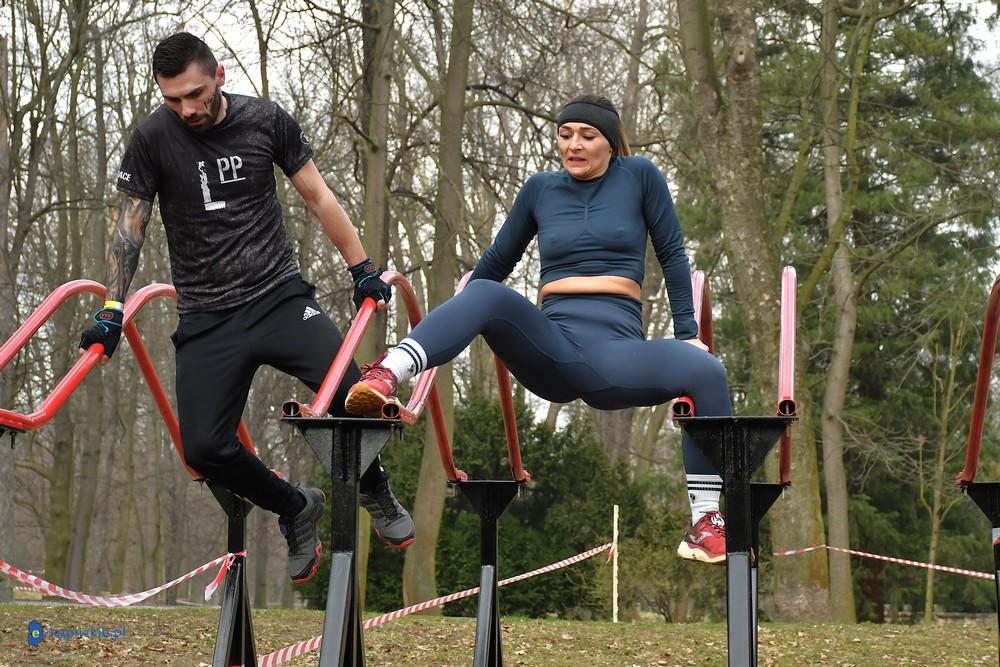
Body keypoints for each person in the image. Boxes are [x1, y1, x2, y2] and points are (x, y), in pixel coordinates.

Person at [78, 32, 414, 585]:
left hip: (278, 298)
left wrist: (362, 269)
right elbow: (130, 226)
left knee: (352, 390)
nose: (187, 108)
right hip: (208, 318)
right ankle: (293, 507)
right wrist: (113, 306)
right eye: (173, 100)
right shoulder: (152, 140)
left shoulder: (266, 121)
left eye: (195, 93)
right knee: (204, 447)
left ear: (220, 76)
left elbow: (318, 195)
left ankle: (374, 488)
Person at [346, 94, 732, 564]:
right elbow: (494, 264)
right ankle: (388, 372)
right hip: (552, 347)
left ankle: (705, 520)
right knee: (484, 292)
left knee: (707, 369)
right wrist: (463, 309)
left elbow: (672, 254)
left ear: (610, 143)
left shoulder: (640, 177)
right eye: (564, 134)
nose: (573, 145)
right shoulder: (540, 190)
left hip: (615, 353)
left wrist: (688, 330)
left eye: (587, 136)